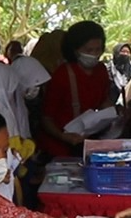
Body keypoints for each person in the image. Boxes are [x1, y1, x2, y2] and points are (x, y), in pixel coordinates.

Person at [38, 20, 114, 157]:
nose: (94, 55)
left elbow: (104, 100)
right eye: (88, 50)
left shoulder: (101, 70)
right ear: (75, 50)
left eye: (98, 50)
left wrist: (113, 113)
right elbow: (46, 118)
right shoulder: (62, 75)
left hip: (87, 142)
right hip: (59, 147)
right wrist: (62, 136)